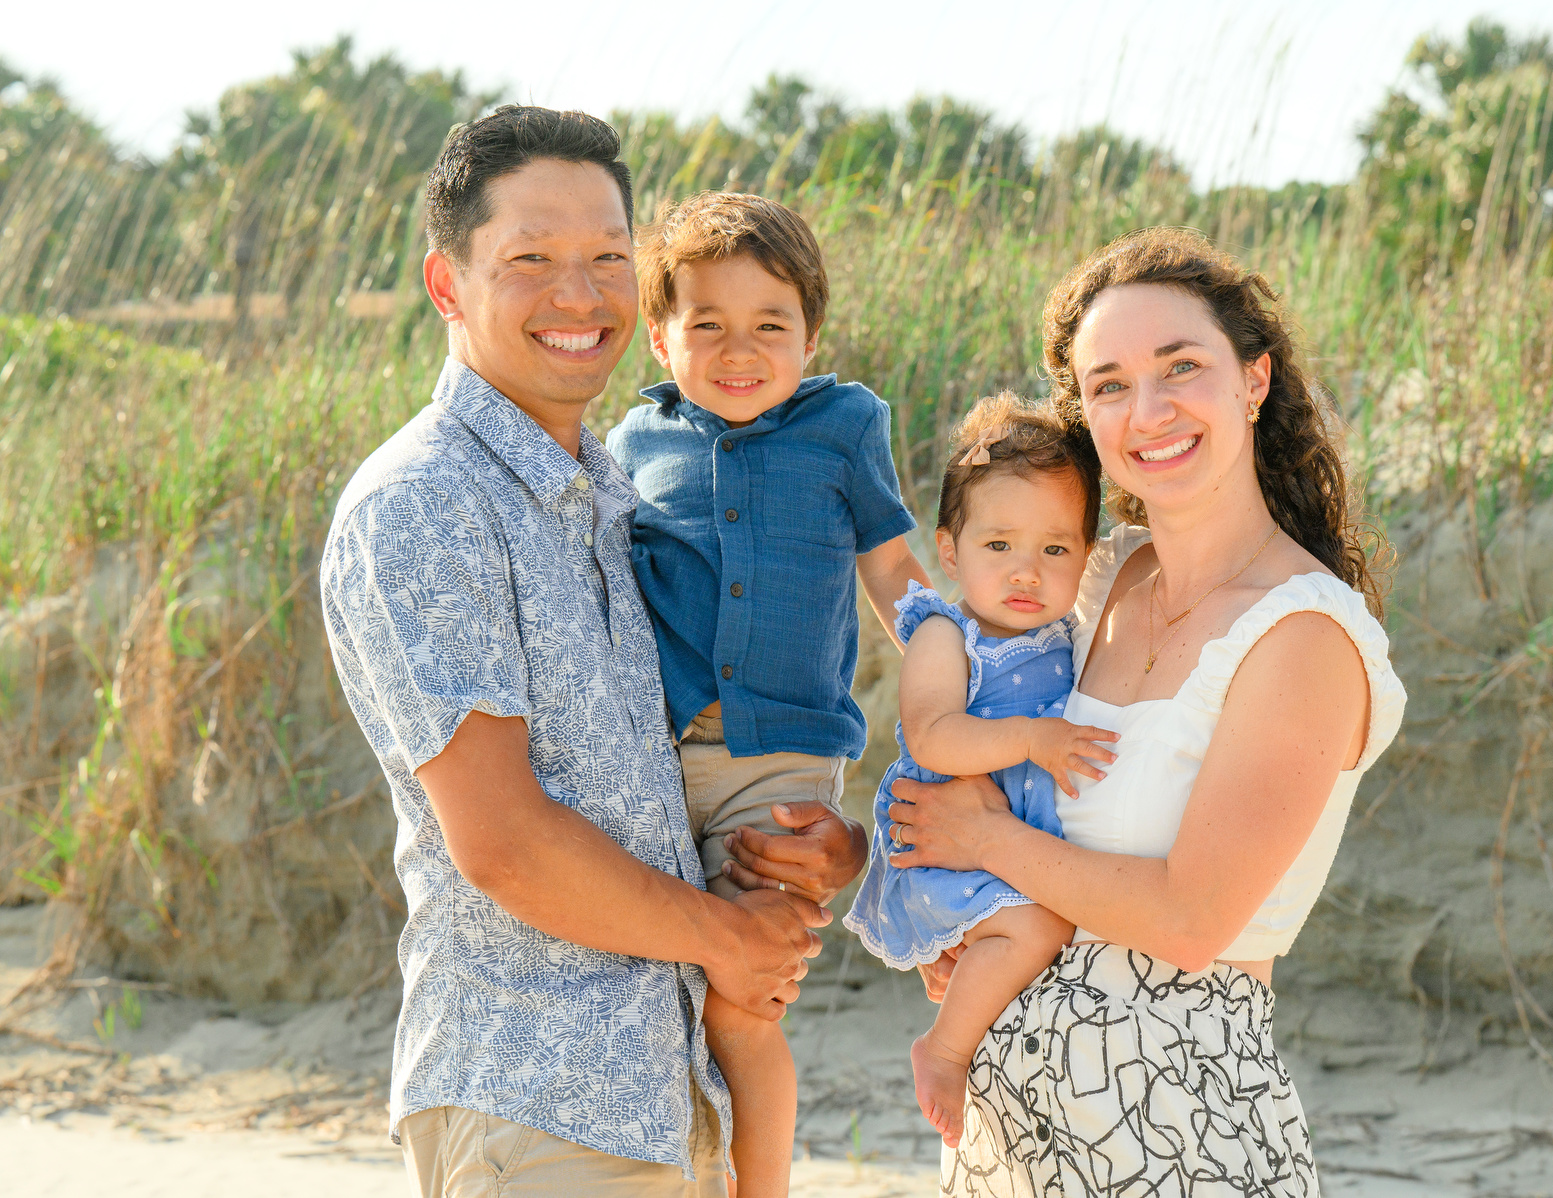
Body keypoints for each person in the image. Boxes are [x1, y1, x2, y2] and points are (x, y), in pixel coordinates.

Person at [319, 108, 866, 1197]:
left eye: (608, 256)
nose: (581, 294)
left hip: (675, 1097)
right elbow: (505, 841)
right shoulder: (427, 504)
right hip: (539, 1098)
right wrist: (728, 936)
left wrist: (818, 847)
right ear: (446, 285)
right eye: (531, 259)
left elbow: (679, 782)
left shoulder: (615, 493)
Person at [889, 227, 1409, 1196]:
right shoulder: (1093, 578)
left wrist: (985, 841)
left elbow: (1188, 918)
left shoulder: (1302, 635)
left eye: (1182, 367)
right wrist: (962, 934)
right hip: (1008, 1129)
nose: (1150, 410)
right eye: (1111, 383)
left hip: (1179, 1123)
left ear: (1253, 381)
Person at [606, 189, 929, 1197]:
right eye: (707, 325)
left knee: (746, 999)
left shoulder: (844, 426)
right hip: (653, 758)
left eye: (769, 326)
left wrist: (947, 676)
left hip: (779, 765)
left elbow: (890, 567)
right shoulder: (630, 446)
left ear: (811, 334)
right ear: (660, 337)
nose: (738, 350)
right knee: (656, 991)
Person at [843, 393, 1118, 1148]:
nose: (1026, 571)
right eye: (998, 546)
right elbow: (932, 737)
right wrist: (1033, 738)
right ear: (952, 551)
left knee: (1044, 929)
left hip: (1008, 839)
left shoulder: (1072, 632)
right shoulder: (945, 633)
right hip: (939, 836)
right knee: (1034, 929)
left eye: (1055, 550)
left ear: (1087, 559)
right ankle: (945, 1050)